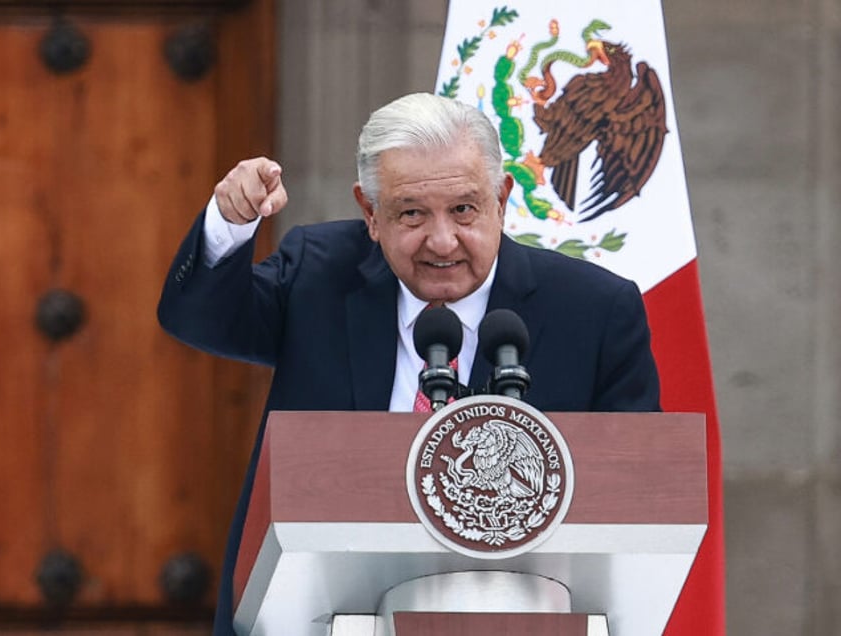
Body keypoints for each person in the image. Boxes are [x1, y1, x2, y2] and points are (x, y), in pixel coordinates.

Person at [157, 92, 660, 634]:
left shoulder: (594, 310)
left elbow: (640, 499)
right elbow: (201, 321)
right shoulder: (318, 276)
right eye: (412, 213)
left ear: (502, 198)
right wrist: (227, 222)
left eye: (464, 209)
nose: (442, 241)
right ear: (371, 214)